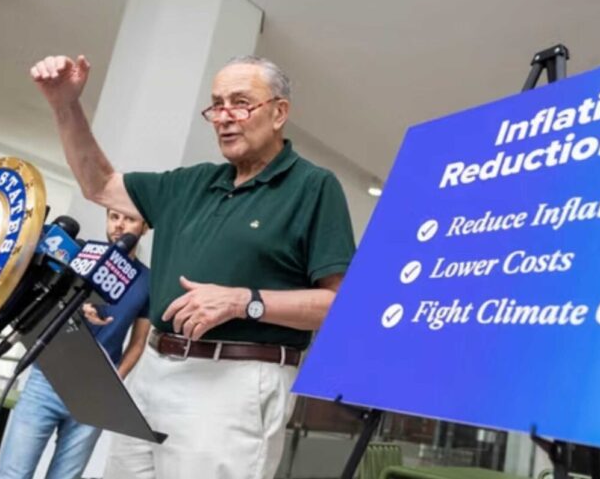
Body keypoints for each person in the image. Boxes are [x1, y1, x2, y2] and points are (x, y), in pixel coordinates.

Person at [28, 54, 356, 479]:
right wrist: (65, 104)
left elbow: (340, 305)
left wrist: (245, 302)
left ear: (279, 112)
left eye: (240, 103)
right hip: (156, 372)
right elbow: (99, 184)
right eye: (217, 105)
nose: (224, 117)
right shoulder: (191, 183)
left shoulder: (313, 186)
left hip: (235, 382)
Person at [0, 209, 151, 479]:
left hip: (96, 393)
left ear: (145, 227)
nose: (119, 225)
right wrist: (79, 307)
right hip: (49, 378)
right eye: (113, 217)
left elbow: (138, 344)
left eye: (129, 219)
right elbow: (47, 301)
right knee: (13, 473)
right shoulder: (84, 253)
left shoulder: (149, 281)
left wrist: (114, 380)